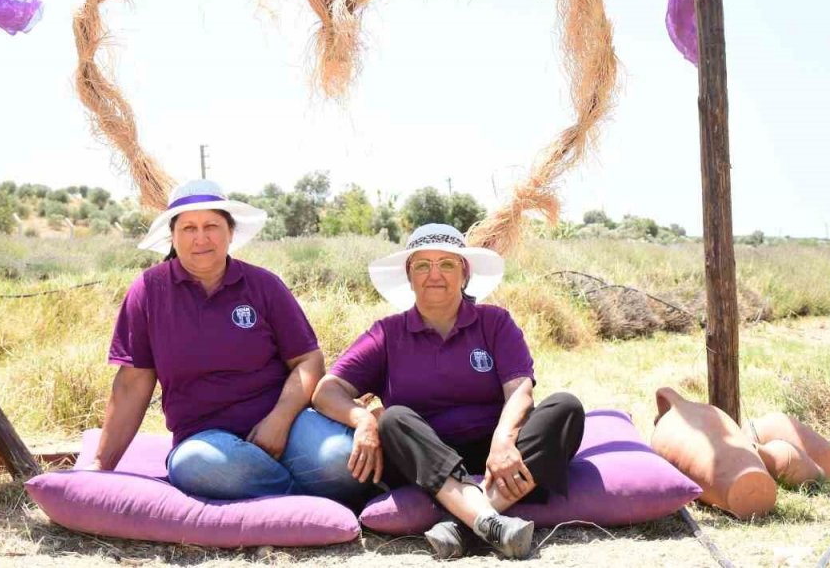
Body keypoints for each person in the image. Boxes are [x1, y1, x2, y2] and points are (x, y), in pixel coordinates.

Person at [312, 223, 585, 559]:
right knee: (393, 419)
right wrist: (363, 420)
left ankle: (464, 524)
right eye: (422, 265)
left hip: (494, 454)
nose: (434, 274)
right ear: (409, 276)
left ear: (464, 273)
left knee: (565, 408)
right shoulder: (387, 333)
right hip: (423, 458)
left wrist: (502, 441)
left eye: (447, 264)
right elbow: (326, 390)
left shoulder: (495, 322)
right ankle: (488, 520)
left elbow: (520, 391)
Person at [84, 179, 366, 503]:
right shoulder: (148, 291)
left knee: (341, 461)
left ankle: (288, 486)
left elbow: (308, 360)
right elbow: (132, 383)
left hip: (283, 422)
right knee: (198, 467)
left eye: (212, 226)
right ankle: (305, 494)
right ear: (172, 237)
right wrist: (101, 464)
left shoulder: (264, 285)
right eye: (188, 228)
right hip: (206, 439)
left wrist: (280, 420)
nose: (201, 238)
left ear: (230, 232)